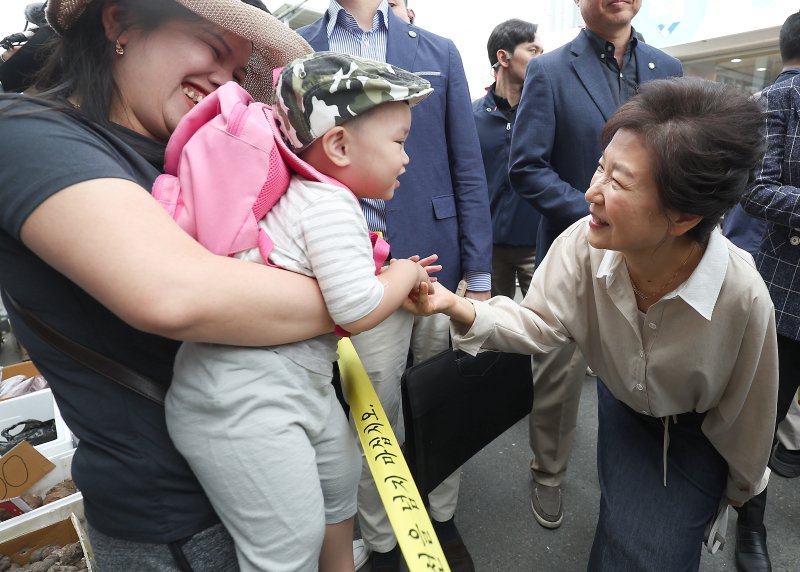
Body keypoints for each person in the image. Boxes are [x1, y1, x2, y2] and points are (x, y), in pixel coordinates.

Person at [0, 0, 327, 570]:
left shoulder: (189, 158)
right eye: (214, 48)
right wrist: (366, 297)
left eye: (236, 71)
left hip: (271, 464)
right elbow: (176, 294)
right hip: (179, 522)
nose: (224, 81)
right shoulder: (28, 136)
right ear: (120, 21)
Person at [406, 77, 778, 571]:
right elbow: (541, 322)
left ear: (684, 216)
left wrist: (738, 490)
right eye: (600, 168)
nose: (590, 193)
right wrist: (455, 306)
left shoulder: (742, 295)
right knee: (623, 527)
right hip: (622, 403)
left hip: (692, 434)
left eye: (618, 182)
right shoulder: (584, 241)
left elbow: (746, 417)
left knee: (654, 553)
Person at [165, 51, 434, 572]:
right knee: (287, 548)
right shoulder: (330, 204)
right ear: (338, 143)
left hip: (280, 382)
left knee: (339, 482)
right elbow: (355, 308)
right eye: (399, 142)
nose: (406, 158)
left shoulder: (304, 195)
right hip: (248, 397)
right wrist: (405, 273)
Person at [300, 2, 493, 570]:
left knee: (442, 397)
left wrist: (478, 278)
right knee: (371, 413)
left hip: (437, 256)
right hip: (348, 268)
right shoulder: (296, 45)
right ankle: (384, 541)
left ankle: (441, 514)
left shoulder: (437, 50)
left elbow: (467, 164)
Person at [508, 0, 683, 529]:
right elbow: (527, 166)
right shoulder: (549, 69)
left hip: (653, 258)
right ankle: (549, 470)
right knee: (558, 370)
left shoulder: (668, 71)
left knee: (645, 367)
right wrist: (600, 211)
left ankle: (635, 481)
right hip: (574, 246)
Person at [737, 9, 800, 572]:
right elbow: (756, 192)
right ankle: (749, 522)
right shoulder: (779, 99)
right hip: (789, 288)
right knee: (765, 414)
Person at [474, 18, 543, 298]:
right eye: (533, 50)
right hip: (487, 249)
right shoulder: (471, 116)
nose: (541, 59)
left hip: (536, 244)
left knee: (544, 329)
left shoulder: (544, 112)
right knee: (490, 329)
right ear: (504, 57)